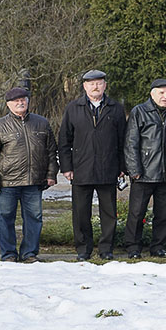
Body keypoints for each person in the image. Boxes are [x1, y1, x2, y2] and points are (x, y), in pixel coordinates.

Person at [0, 87, 58, 263]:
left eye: (23, 99)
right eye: (16, 101)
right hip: (7, 182)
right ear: (8, 105)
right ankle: (8, 254)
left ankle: (29, 253)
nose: (20, 103)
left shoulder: (42, 123)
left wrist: (51, 174)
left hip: (34, 182)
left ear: (28, 101)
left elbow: (52, 152)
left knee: (34, 218)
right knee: (6, 218)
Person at [59, 69, 127, 261]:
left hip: (108, 168)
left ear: (105, 85)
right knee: (81, 213)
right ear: (84, 86)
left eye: (99, 83)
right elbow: (64, 140)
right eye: (91, 83)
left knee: (109, 213)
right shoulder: (73, 108)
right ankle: (83, 249)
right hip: (82, 169)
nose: (95, 86)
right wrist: (66, 167)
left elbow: (123, 140)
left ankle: (106, 249)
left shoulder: (115, 108)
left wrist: (122, 167)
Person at [123, 78, 166, 259]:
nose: (165, 96)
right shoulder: (139, 112)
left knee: (164, 214)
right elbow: (131, 142)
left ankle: (158, 246)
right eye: (161, 93)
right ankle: (133, 246)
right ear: (152, 94)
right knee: (137, 213)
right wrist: (134, 170)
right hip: (144, 173)